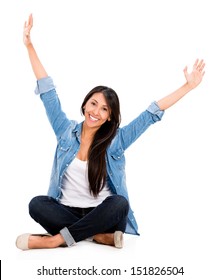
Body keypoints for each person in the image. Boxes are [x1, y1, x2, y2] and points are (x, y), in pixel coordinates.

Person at [16, 14, 205, 250]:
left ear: (109, 117)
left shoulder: (117, 140)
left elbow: (151, 114)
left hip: (103, 212)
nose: (96, 111)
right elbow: (47, 91)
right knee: (36, 204)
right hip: (67, 209)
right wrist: (29, 45)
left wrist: (188, 86)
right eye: (94, 103)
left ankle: (57, 239)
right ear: (85, 104)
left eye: (104, 109)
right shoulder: (64, 131)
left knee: (119, 204)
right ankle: (97, 236)